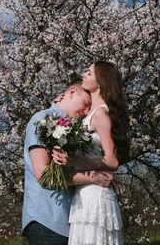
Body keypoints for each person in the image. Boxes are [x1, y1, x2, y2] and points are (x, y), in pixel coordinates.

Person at [22, 80, 114, 245]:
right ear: (72, 92)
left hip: (70, 222)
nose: (86, 111)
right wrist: (94, 177)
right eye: (85, 104)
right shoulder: (42, 119)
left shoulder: (72, 128)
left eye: (89, 108)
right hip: (47, 220)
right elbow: (44, 175)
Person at [52, 61, 130, 245]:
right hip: (83, 194)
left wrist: (74, 160)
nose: (84, 75)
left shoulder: (100, 114)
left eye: (89, 72)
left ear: (101, 81)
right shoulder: (89, 114)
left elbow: (112, 161)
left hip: (95, 196)